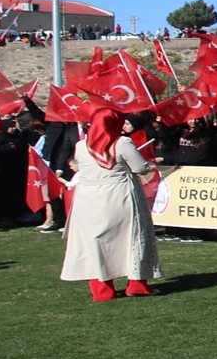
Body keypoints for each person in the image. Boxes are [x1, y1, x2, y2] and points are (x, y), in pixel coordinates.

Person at [59, 106, 161, 301]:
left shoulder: (82, 145)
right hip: (120, 194)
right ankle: (137, 284)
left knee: (94, 242)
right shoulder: (122, 143)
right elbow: (140, 167)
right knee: (131, 239)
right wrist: (150, 165)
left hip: (88, 198)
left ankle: (102, 289)